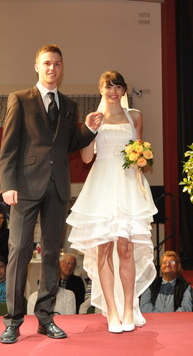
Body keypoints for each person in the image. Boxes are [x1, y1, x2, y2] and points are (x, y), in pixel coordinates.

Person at [0, 44, 102, 344]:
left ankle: (45, 318)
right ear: (37, 66)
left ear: (61, 67)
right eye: (46, 63)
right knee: (19, 251)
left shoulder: (69, 104)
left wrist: (89, 130)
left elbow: (69, 144)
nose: (52, 68)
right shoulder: (19, 99)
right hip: (25, 188)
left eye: (56, 63)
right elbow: (8, 146)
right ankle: (13, 322)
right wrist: (8, 184)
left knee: (52, 253)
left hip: (58, 188)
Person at [67, 70, 158, 333]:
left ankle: (129, 308)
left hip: (128, 184)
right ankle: (112, 312)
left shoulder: (135, 116)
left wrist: (141, 158)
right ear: (101, 90)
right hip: (102, 185)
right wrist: (90, 129)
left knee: (126, 249)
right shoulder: (94, 118)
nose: (113, 91)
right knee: (104, 250)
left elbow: (141, 155)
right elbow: (86, 158)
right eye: (109, 87)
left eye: (118, 87)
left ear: (124, 90)